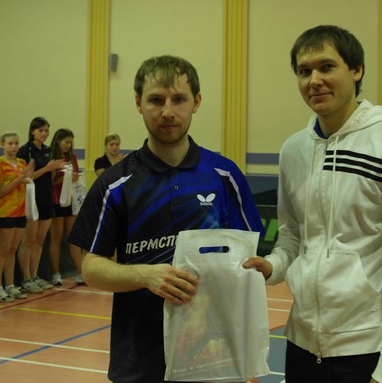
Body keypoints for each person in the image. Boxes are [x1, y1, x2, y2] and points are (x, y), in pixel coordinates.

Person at [243, 25, 382, 383]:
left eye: (327, 67)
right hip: (301, 346)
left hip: (369, 351)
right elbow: (293, 235)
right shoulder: (294, 150)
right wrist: (273, 266)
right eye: (304, 71)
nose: (314, 80)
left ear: (356, 70)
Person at [68, 55, 263, 383]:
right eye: (156, 100)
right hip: (139, 360)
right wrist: (145, 275)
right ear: (138, 103)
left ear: (197, 102)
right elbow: (91, 268)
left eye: (179, 99)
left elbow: (249, 266)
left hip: (213, 359)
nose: (168, 111)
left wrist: (244, 355)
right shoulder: (115, 183)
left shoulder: (225, 176)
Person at [17, 117, 68, 294]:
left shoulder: (47, 150)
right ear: (32, 131)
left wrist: (59, 171)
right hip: (31, 199)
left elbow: (50, 177)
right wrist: (47, 168)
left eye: (46, 130)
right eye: (41, 130)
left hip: (46, 199)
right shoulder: (25, 151)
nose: (44, 134)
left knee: (39, 240)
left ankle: (35, 275)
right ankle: (26, 278)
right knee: (28, 240)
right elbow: (25, 177)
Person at [0, 132, 34, 302]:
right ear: (2, 145)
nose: (14, 146)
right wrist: (18, 180)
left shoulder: (22, 163)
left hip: (20, 212)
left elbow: (27, 182)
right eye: (10, 143)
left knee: (12, 251)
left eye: (16, 143)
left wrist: (28, 178)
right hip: (5, 212)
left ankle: (9, 285)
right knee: (2, 251)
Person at [47, 128, 84, 286]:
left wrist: (74, 178)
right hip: (57, 201)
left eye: (70, 142)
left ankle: (81, 272)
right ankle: (56, 273)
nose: (68, 145)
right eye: (66, 142)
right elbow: (51, 181)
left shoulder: (72, 157)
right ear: (58, 141)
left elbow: (75, 176)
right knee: (56, 238)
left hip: (71, 201)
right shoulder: (52, 158)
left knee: (73, 238)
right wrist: (65, 179)